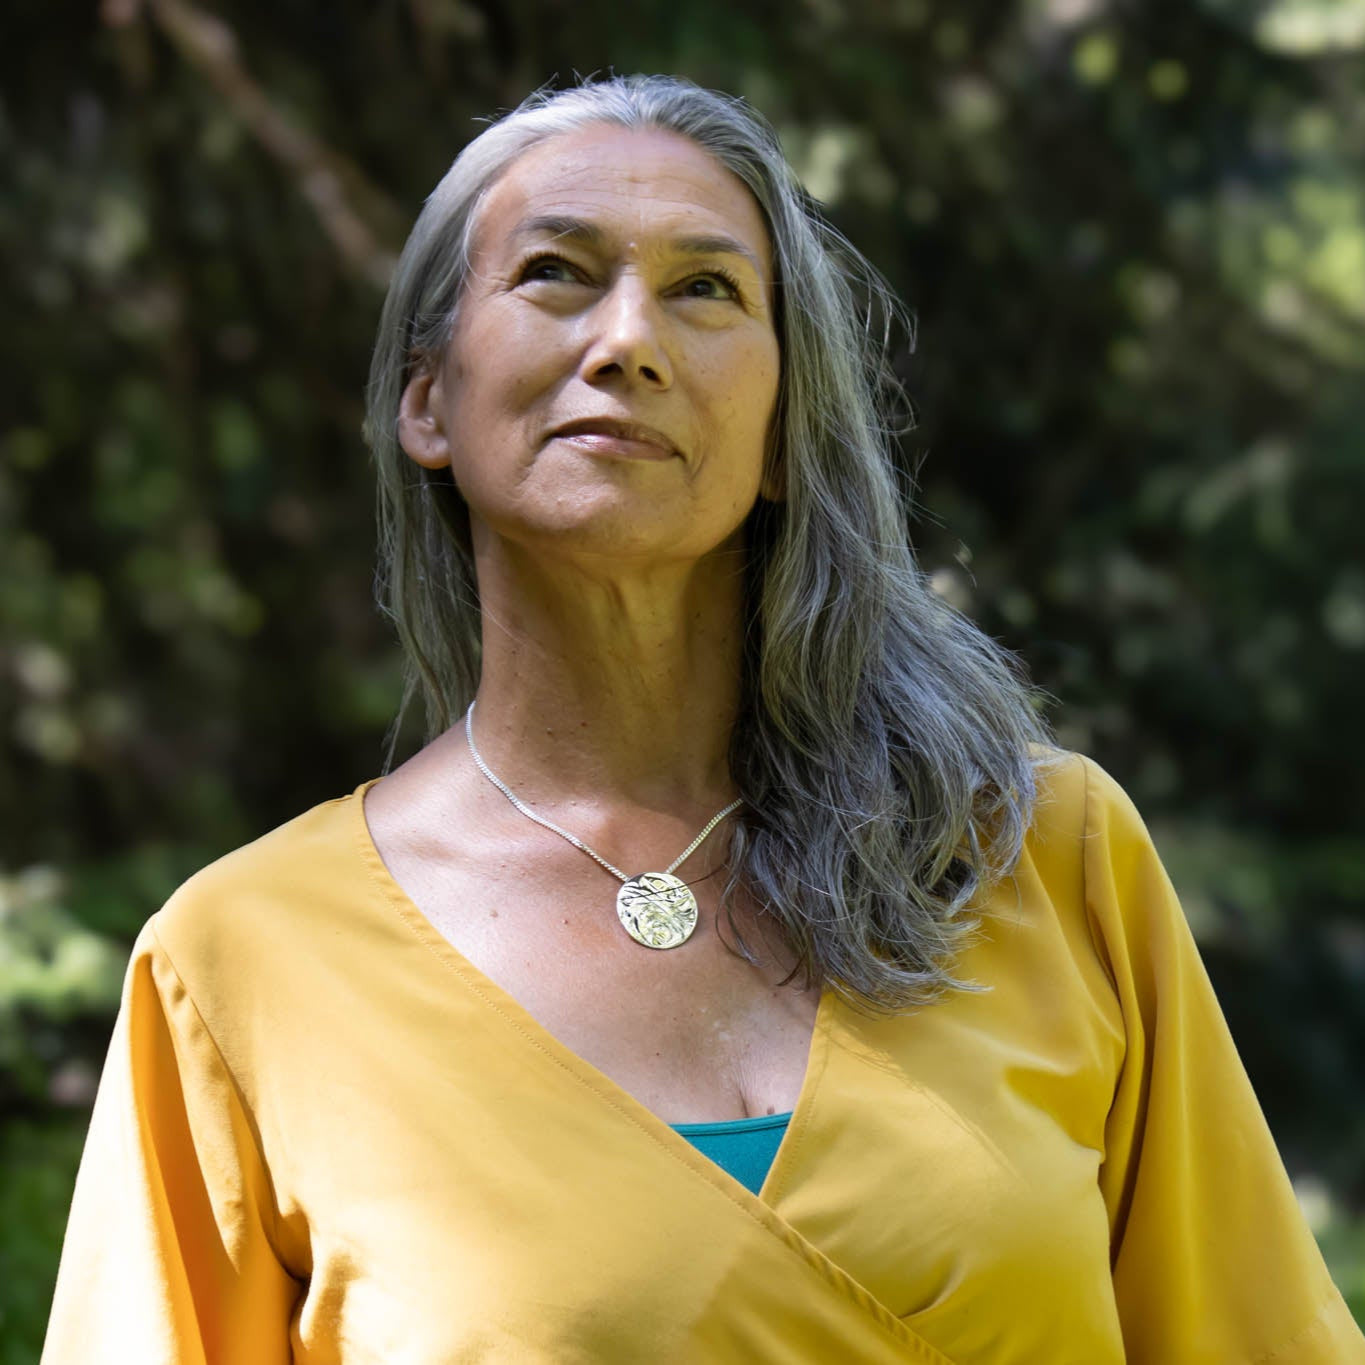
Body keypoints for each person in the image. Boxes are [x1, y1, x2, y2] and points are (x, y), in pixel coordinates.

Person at [42, 74, 1363, 1363]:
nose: (626, 340)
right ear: (427, 399)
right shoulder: (239, 964)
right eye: (555, 271)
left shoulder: (1036, 852)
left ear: (786, 426)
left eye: (705, 288)